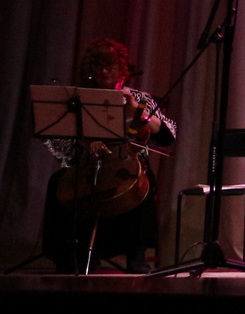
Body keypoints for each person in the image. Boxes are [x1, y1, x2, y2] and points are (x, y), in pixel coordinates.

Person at [44, 38, 177, 274]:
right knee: (58, 183)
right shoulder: (79, 99)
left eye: (110, 66)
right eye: (99, 65)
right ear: (91, 69)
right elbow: (62, 143)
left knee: (141, 183)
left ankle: (136, 256)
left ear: (121, 69)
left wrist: (140, 112)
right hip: (87, 164)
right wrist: (86, 145)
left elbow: (168, 135)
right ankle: (68, 256)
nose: (104, 71)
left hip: (126, 163)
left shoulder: (139, 98)